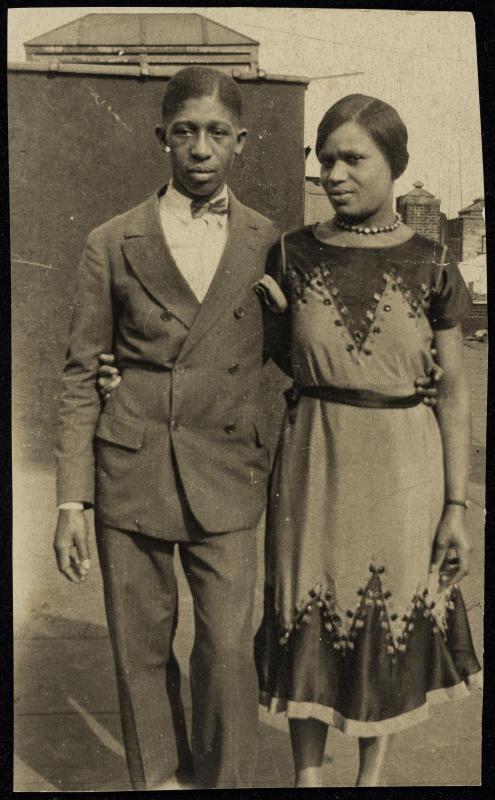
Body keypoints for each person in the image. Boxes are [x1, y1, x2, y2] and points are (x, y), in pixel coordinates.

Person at [53, 66, 280, 791]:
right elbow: (81, 374)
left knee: (226, 649)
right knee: (141, 651)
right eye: (185, 132)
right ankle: (158, 780)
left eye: (217, 133)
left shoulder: (269, 241)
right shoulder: (112, 241)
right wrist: (70, 501)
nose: (201, 148)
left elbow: (301, 349)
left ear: (240, 143)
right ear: (162, 139)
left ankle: (226, 781)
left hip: (227, 471)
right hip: (132, 468)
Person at [252, 94, 482, 788]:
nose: (335, 173)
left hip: (403, 468)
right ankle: (307, 777)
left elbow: (452, 391)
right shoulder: (289, 253)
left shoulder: (433, 261)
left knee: (389, 616)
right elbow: (269, 361)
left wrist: (454, 507)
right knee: (306, 602)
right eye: (326, 160)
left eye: (355, 158)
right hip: (313, 462)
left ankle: (369, 777)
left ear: (395, 165)